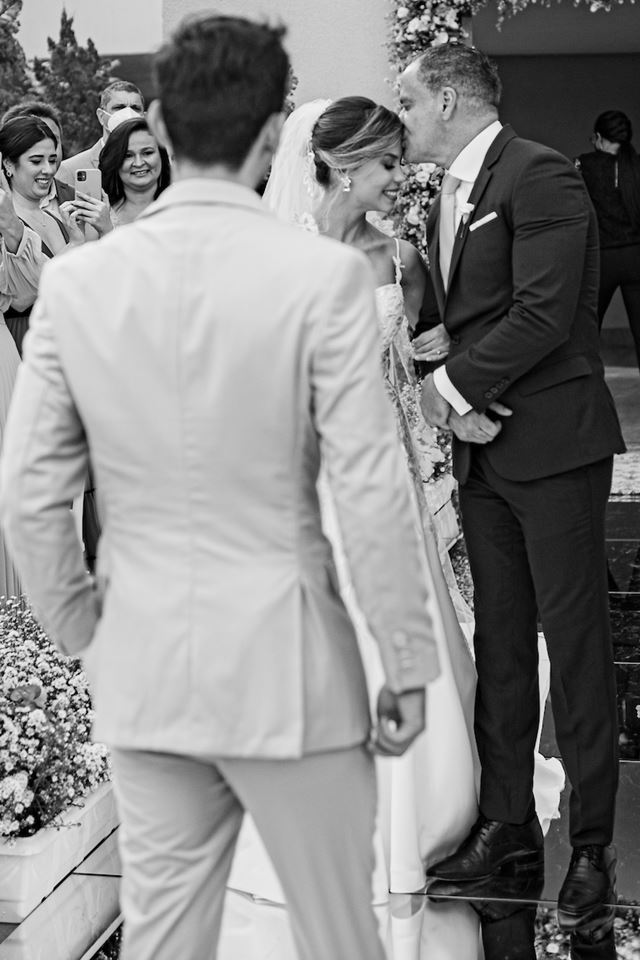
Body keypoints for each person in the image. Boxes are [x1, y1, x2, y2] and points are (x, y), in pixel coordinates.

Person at [0, 14, 441, 960]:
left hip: (155, 656)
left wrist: (89, 636)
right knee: (332, 920)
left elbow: (33, 498)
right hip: (296, 657)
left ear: (159, 120)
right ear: (273, 136)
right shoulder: (320, 277)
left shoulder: (80, 284)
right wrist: (403, 652)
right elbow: (365, 485)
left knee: (168, 919)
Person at [400, 42, 624, 937]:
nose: (402, 116)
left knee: (574, 649)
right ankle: (507, 829)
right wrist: (454, 392)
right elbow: (468, 318)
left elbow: (544, 310)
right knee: (498, 640)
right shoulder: (445, 193)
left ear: (451, 100)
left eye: (410, 102)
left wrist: (448, 394)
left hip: (556, 448)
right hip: (485, 451)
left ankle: (597, 849)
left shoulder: (544, 178)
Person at [575, 110, 640, 369]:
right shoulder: (636, 165)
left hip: (602, 260)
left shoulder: (583, 164)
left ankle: (584, 390)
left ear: (599, 137)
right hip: (636, 257)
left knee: (587, 330)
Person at [57, 80, 144, 186]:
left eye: (135, 108)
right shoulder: (70, 170)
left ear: (144, 116)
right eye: (119, 108)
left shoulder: (154, 165)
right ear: (101, 116)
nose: (128, 113)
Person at [98, 116, 171, 226]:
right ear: (115, 161)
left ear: (162, 156)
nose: (138, 163)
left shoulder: (181, 208)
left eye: (147, 153)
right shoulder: (100, 214)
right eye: (128, 156)